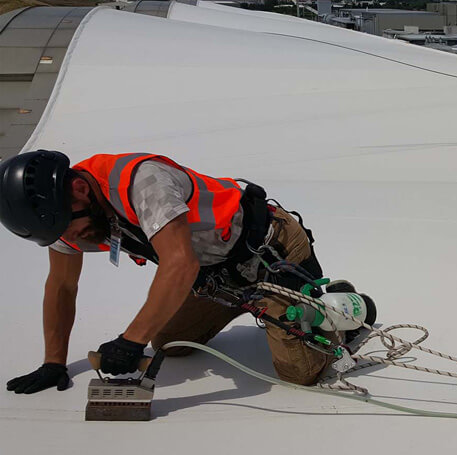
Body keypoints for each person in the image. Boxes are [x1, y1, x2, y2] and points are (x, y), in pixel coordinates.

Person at [1, 150, 368, 394]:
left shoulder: (144, 182)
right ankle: (251, 304)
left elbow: (180, 264)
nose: (70, 240)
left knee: (299, 374)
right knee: (167, 343)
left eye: (69, 228)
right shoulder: (66, 216)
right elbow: (62, 285)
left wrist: (130, 341)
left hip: (272, 252)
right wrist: (53, 362)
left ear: (80, 189)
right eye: (59, 236)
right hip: (220, 275)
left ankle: (338, 308)